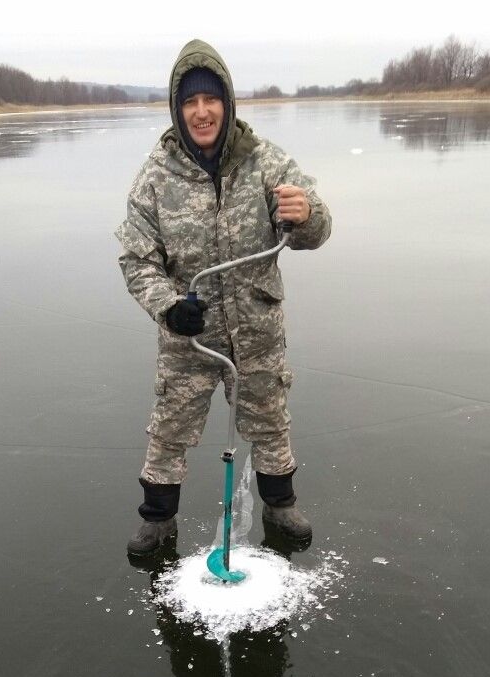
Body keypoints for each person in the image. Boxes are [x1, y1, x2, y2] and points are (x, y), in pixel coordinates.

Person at [116, 38, 331, 556]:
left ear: (227, 103)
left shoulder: (266, 163)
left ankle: (281, 506)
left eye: (210, 99)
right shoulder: (154, 178)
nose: (201, 111)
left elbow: (315, 228)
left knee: (270, 419)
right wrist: (168, 305)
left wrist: (308, 215)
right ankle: (158, 520)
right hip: (188, 339)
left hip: (256, 329)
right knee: (170, 428)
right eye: (190, 101)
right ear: (177, 108)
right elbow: (137, 260)